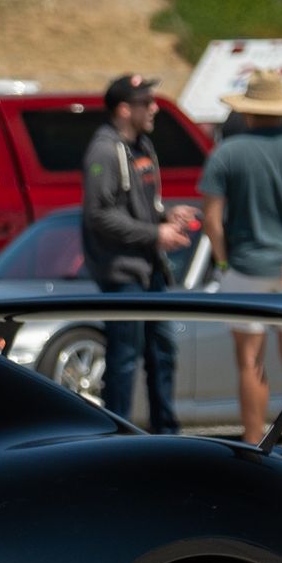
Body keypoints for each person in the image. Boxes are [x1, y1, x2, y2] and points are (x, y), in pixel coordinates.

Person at [198, 69, 282, 448]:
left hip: (244, 267)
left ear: (246, 111)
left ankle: (254, 441)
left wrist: (224, 261)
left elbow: (211, 216)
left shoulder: (228, 152)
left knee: (249, 363)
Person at [80, 73, 196, 431]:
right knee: (124, 357)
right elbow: (99, 215)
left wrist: (166, 214)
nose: (155, 108)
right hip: (122, 275)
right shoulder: (104, 150)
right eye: (147, 103)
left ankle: (167, 433)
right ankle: (119, 434)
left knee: (163, 353)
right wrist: (155, 232)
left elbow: (139, 205)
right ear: (124, 109)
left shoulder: (141, 147)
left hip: (151, 272)